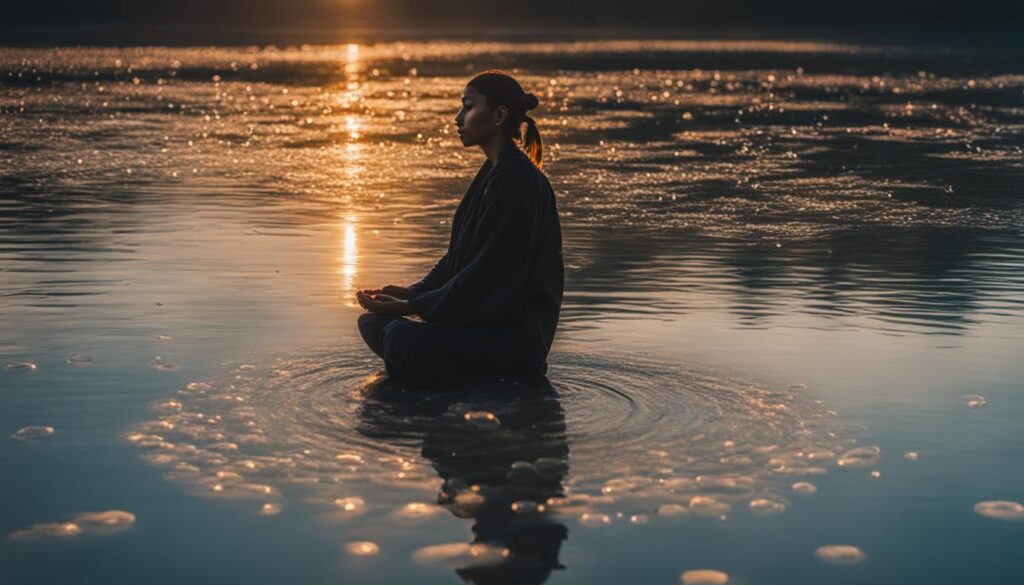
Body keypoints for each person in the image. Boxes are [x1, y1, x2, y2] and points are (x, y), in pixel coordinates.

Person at [355, 69, 564, 389]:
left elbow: (487, 276)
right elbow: (459, 258)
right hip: (483, 325)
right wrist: (414, 291)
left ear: (498, 115)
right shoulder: (494, 173)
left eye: (468, 107)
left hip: (514, 339)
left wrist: (412, 307)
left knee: (398, 336)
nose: (457, 117)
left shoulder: (520, 182)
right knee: (373, 323)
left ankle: (481, 382)